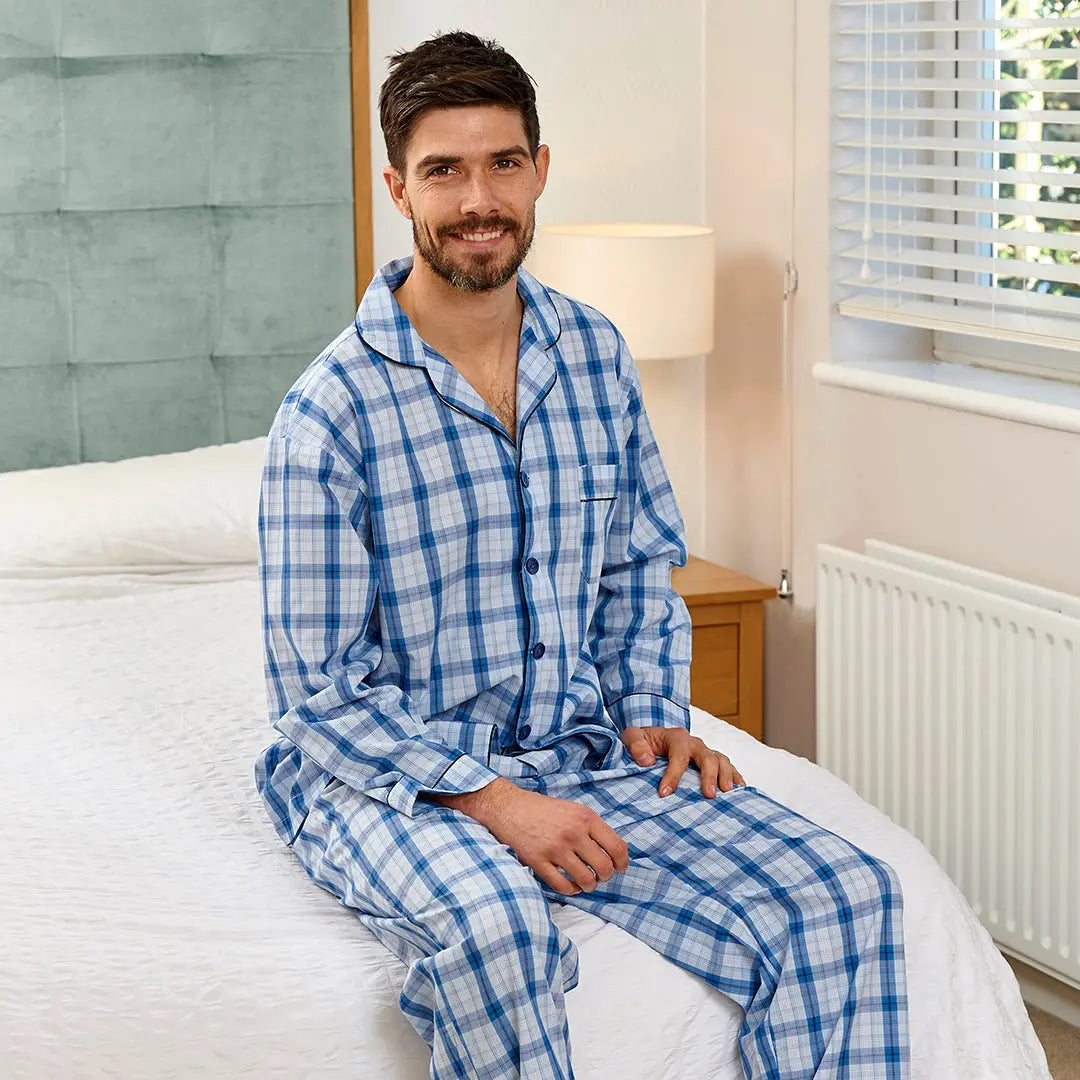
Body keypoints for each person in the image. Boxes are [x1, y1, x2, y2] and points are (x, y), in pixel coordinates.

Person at [255, 29, 910, 1080]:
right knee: (499, 934)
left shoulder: (594, 351)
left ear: (540, 169)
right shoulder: (330, 416)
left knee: (848, 891)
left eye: (503, 163)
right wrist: (497, 802)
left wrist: (654, 708)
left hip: (580, 745)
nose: (480, 199)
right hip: (386, 780)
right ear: (398, 188)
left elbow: (634, 563)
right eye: (445, 171)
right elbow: (319, 696)